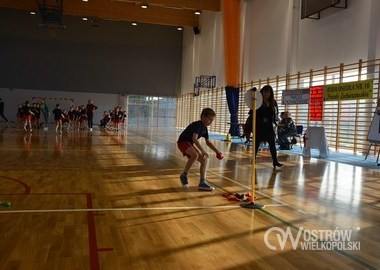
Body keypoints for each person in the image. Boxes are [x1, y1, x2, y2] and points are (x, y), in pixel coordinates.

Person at [177, 108, 224, 191]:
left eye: (212, 120)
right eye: (210, 119)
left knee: (203, 159)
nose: (211, 122)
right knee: (195, 155)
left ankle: (202, 182)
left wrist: (217, 151)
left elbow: (208, 142)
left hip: (189, 144)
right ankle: (184, 175)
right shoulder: (198, 125)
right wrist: (203, 151)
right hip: (183, 142)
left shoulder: (205, 129)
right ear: (203, 117)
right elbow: (194, 138)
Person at [255, 85, 283, 168]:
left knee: (272, 145)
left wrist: (276, 122)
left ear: (270, 93)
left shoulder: (273, 102)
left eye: (268, 92)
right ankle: (253, 159)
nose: (266, 93)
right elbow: (253, 113)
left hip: (269, 127)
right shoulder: (258, 101)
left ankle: (275, 161)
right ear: (262, 92)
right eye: (265, 92)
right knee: (256, 145)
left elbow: (276, 114)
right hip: (259, 126)